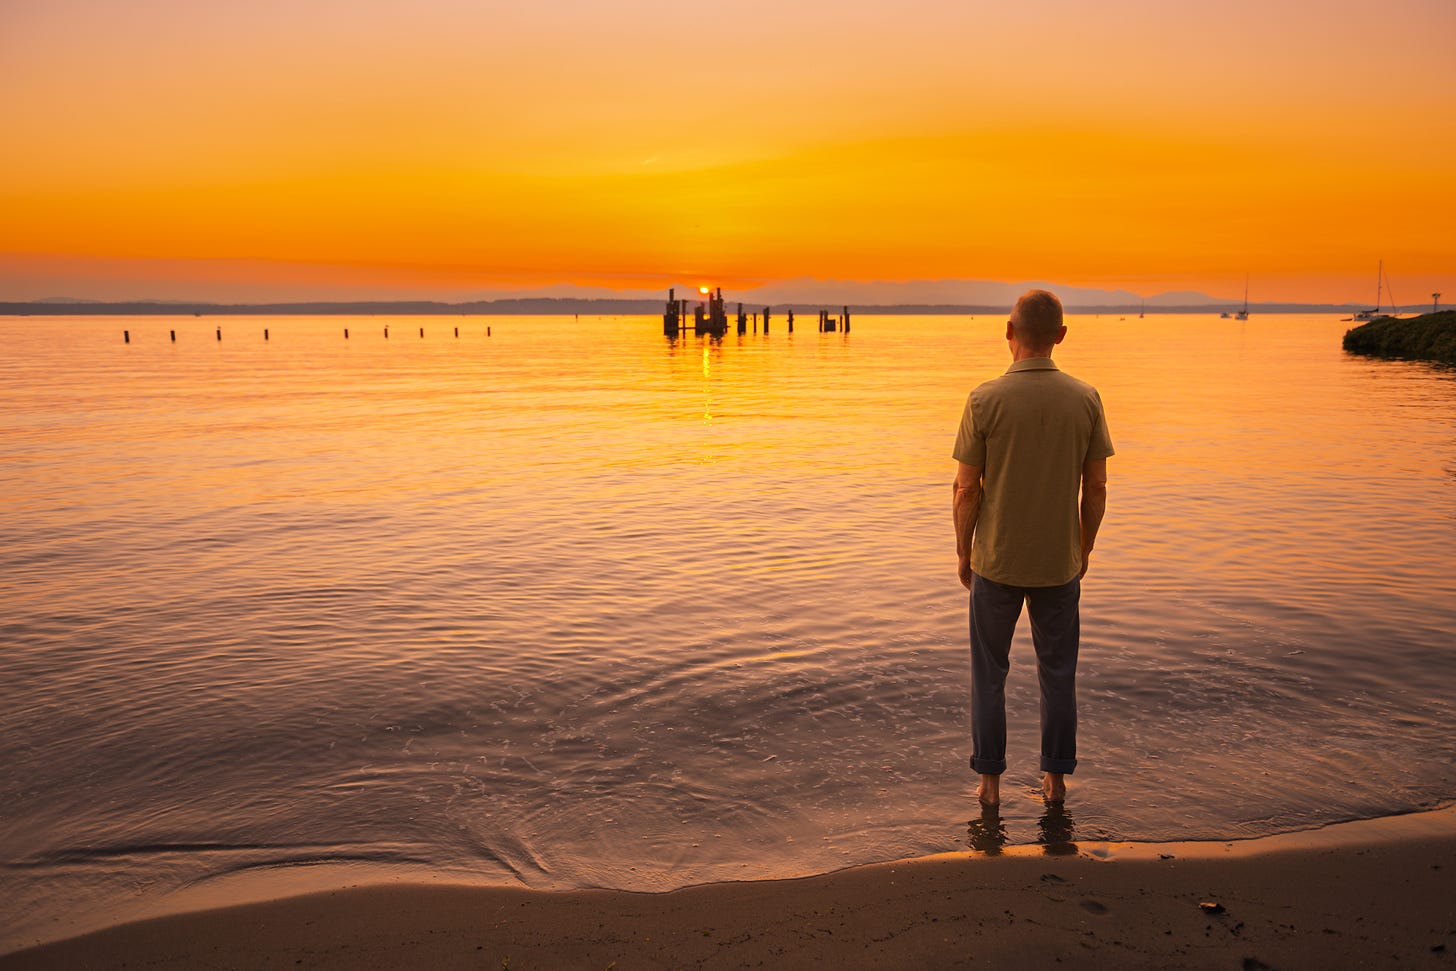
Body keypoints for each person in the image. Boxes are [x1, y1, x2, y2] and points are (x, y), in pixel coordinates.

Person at [952, 289, 1112, 808]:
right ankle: (1055, 782)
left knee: (988, 677)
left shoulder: (984, 400)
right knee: (1058, 675)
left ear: (1008, 331)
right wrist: (1083, 548)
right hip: (1058, 564)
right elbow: (1097, 487)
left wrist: (963, 552)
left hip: (995, 561)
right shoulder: (1086, 399)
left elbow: (966, 489)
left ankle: (990, 785)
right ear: (1061, 336)